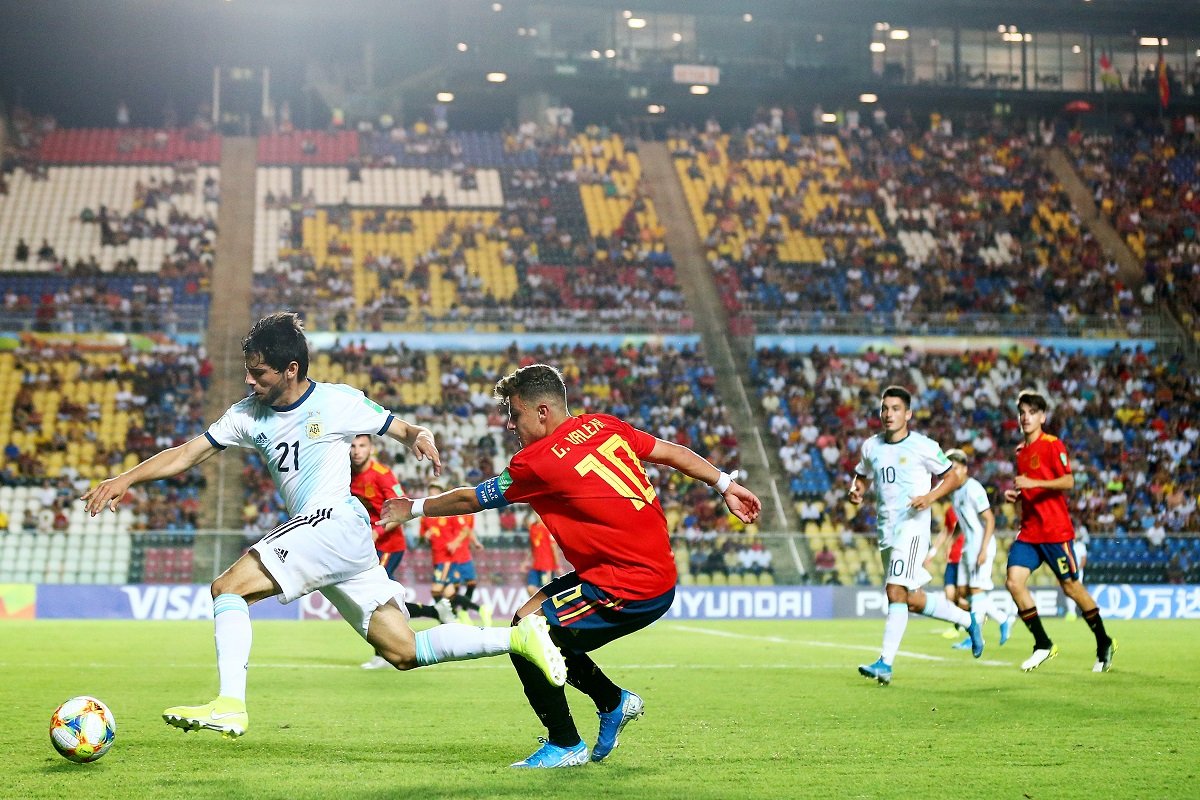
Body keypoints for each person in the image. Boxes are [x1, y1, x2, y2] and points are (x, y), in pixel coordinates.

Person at [81, 313, 565, 739]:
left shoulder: (336, 402)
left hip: (331, 520)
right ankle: (519, 637)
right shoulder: (247, 415)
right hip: (337, 539)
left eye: (260, 373)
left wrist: (420, 436)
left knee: (228, 588)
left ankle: (229, 705)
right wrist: (126, 478)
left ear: (291, 369)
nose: (251, 382)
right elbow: (188, 453)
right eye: (248, 372)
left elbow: (403, 428)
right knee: (403, 649)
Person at [381, 363, 761, 768]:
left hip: (627, 585)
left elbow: (472, 499)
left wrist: (414, 508)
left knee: (529, 638)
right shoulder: (604, 425)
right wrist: (725, 484)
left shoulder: (539, 461)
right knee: (526, 620)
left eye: (516, 414)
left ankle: (566, 744)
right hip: (633, 568)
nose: (510, 425)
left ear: (542, 412)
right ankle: (614, 703)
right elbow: (674, 453)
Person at [848, 385, 983, 686]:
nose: (888, 414)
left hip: (913, 528)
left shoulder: (923, 445)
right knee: (911, 598)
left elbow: (953, 476)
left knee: (894, 590)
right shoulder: (871, 446)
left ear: (907, 413)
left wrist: (930, 497)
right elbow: (863, 474)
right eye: (884, 408)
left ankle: (885, 663)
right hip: (886, 529)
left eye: (895, 409)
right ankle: (967, 620)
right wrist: (857, 490)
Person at [1002, 391, 1116, 673]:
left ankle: (1104, 641)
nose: (1026, 417)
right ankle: (1042, 643)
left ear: (1042, 417)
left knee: (1071, 588)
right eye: (1022, 412)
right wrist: (1019, 496)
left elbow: (1068, 481)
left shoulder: (1053, 445)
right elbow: (1029, 488)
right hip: (1029, 532)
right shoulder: (1020, 451)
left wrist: (1032, 483)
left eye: (1031, 412)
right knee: (1014, 582)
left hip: (1055, 532)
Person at [348, 434, 449, 670]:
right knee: (387, 601)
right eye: (352, 446)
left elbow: (401, 512)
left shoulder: (382, 475)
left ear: (371, 448)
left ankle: (381, 655)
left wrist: (376, 532)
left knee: (373, 595)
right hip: (366, 546)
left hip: (389, 546)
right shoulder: (345, 474)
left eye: (362, 445)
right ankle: (436, 610)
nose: (356, 451)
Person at [941, 449, 1012, 651]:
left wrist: (983, 549)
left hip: (981, 545)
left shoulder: (974, 488)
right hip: (967, 547)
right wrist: (952, 540)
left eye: (955, 468)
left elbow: (989, 519)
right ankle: (1002, 618)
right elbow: (961, 522)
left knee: (976, 591)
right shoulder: (955, 492)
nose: (951, 473)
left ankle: (974, 637)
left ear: (964, 469)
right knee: (962, 592)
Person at [419, 487, 481, 624]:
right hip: (436, 557)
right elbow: (421, 539)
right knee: (449, 593)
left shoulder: (449, 512)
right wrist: (425, 536)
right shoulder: (425, 517)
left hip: (447, 558)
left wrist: (454, 543)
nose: (432, 496)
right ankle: (455, 617)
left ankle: (449, 616)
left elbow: (465, 529)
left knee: (437, 591)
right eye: (430, 494)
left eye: (435, 494)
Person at [925, 506, 968, 639]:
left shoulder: (968, 508)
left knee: (963, 596)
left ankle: (965, 626)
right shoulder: (950, 511)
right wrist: (932, 552)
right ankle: (958, 624)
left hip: (964, 558)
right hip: (952, 559)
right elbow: (945, 532)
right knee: (949, 594)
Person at [523, 512, 559, 597]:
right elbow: (532, 547)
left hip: (546, 566)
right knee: (530, 588)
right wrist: (525, 561)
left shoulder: (548, 528)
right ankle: (538, 604)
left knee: (546, 590)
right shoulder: (533, 527)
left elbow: (554, 549)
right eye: (534, 513)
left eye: (537, 513)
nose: (536, 515)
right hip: (535, 565)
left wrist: (557, 566)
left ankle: (545, 606)